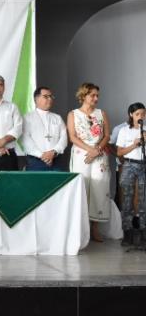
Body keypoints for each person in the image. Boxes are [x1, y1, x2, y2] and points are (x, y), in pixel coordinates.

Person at [67, 82, 111, 242]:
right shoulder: (73, 114)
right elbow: (72, 136)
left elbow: (107, 135)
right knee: (82, 188)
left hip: (99, 155)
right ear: (83, 95)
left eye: (97, 95)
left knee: (99, 187)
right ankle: (81, 228)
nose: (96, 98)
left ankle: (95, 228)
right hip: (81, 154)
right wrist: (89, 150)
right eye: (93, 95)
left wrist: (97, 149)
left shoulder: (102, 113)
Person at [115, 102, 146, 246]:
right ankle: (127, 232)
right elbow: (119, 152)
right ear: (131, 115)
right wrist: (134, 144)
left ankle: (143, 232)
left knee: (143, 200)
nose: (141, 117)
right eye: (138, 114)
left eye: (143, 114)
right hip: (128, 165)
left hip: (143, 165)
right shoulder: (124, 131)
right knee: (127, 199)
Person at [21, 87, 68, 171]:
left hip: (56, 160)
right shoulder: (27, 118)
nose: (49, 99)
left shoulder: (57, 118)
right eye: (46, 96)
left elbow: (64, 138)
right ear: (36, 99)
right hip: (35, 161)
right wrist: (42, 156)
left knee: (59, 184)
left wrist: (53, 153)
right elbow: (25, 140)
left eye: (51, 96)